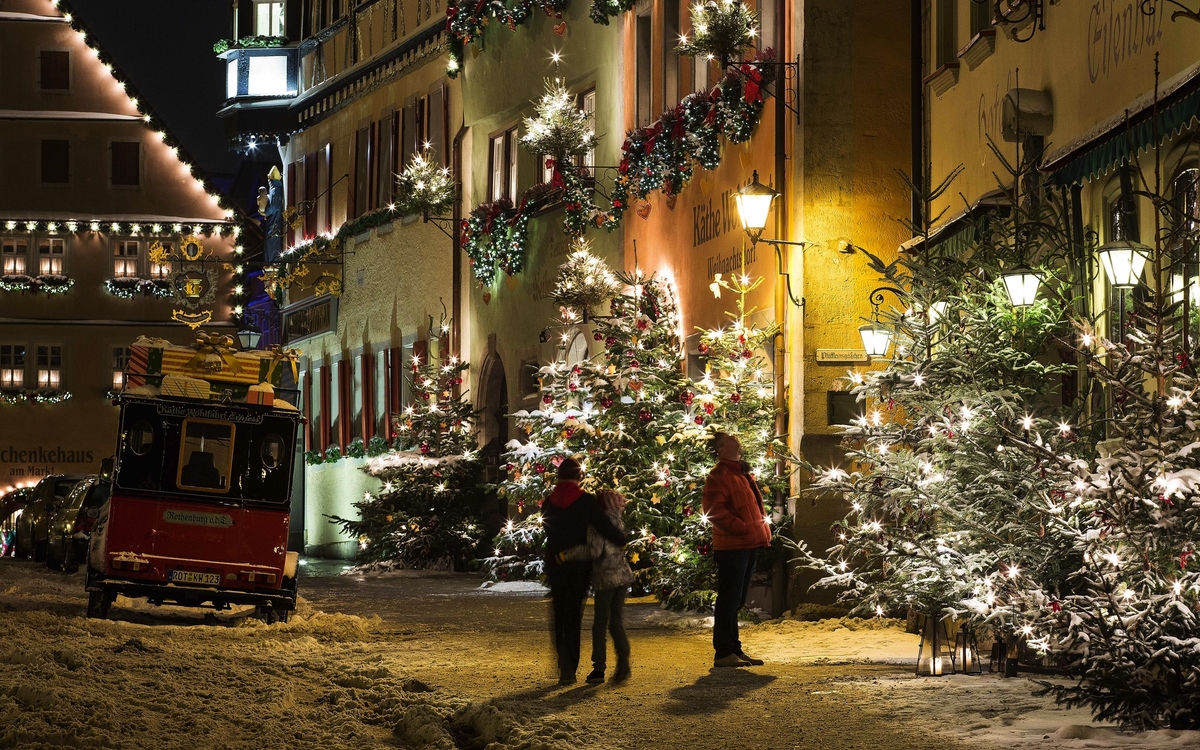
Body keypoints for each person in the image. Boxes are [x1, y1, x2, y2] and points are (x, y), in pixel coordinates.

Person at [542, 458, 627, 685]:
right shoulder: (586, 501)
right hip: (578, 566)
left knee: (559, 612)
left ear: (559, 476)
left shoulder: (548, 503)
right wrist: (621, 539)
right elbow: (603, 527)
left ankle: (564, 665)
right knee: (573, 614)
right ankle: (571, 664)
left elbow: (548, 531)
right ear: (578, 477)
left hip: (555, 563)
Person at [702, 431, 772, 668]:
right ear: (721, 449)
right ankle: (723, 652)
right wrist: (740, 528)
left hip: (747, 544)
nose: (736, 438)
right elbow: (713, 509)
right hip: (733, 546)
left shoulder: (740, 473)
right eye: (730, 438)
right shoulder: (719, 475)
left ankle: (733, 650)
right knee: (729, 600)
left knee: (736, 601)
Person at [560, 489, 634, 685]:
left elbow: (593, 551)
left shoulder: (598, 523)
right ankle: (624, 663)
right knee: (616, 621)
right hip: (623, 575)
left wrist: (566, 555)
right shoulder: (617, 520)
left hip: (606, 577)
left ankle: (598, 668)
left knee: (600, 624)